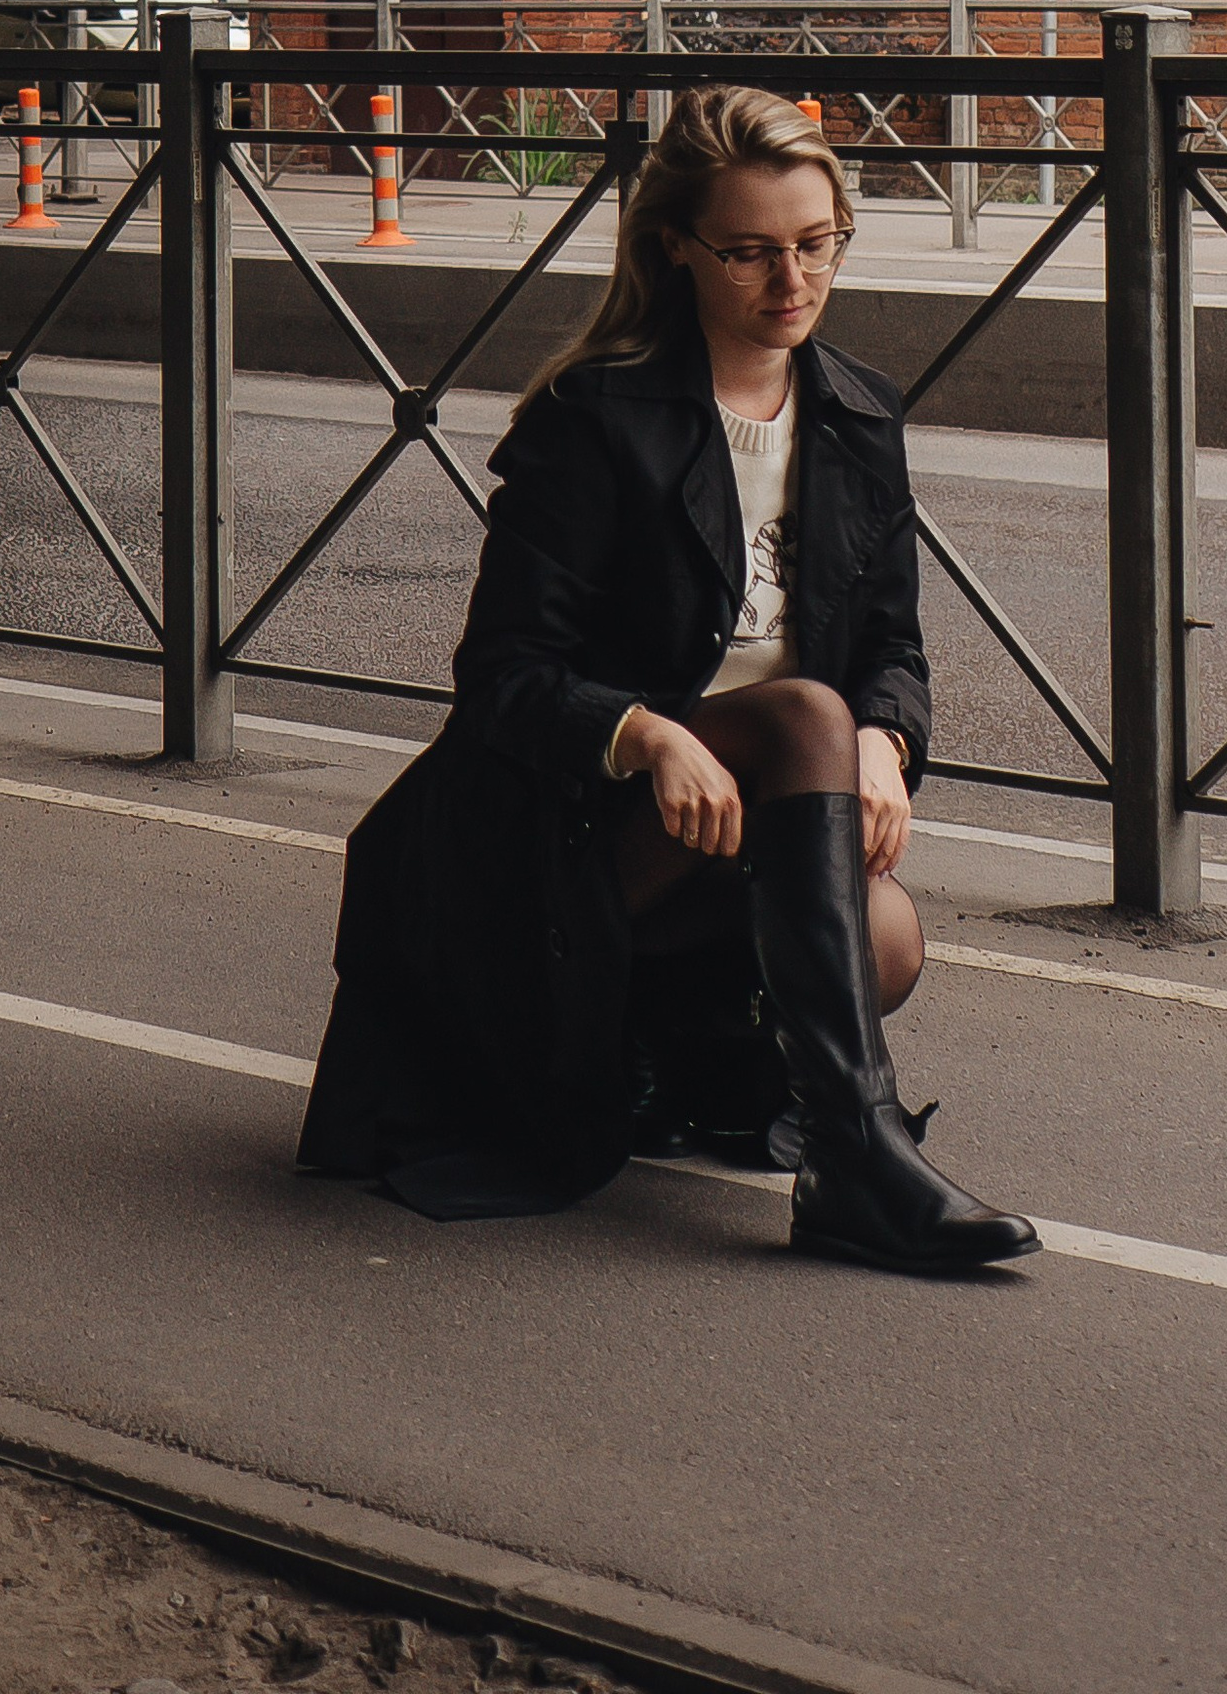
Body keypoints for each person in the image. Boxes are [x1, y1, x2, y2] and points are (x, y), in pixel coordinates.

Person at [298, 82, 1037, 1275]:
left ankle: (658, 1046)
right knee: (804, 711)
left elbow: (891, 648)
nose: (789, 280)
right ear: (676, 251)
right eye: (748, 253)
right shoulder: (597, 419)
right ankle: (856, 1161)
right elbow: (501, 679)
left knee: (887, 935)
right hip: (547, 828)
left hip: (730, 828)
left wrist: (886, 746)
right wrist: (647, 733)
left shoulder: (857, 415)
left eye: (814, 244)